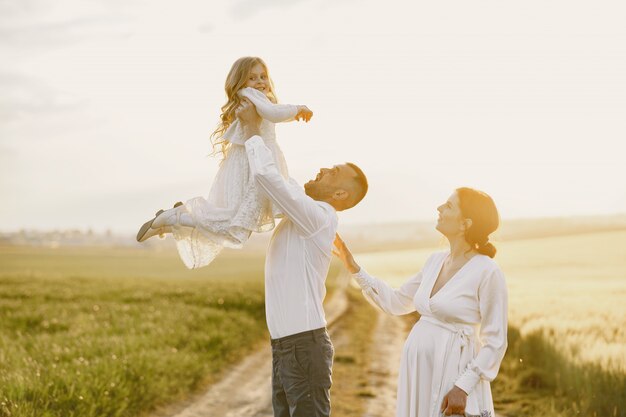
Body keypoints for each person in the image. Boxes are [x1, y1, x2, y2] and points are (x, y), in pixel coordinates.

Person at [236, 98, 368, 417]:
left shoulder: (319, 216)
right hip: (285, 346)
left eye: (333, 172)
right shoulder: (303, 215)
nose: (322, 168)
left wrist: (254, 127)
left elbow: (271, 179)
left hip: (302, 347)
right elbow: (269, 189)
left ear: (340, 196)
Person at [333, 188, 508, 417]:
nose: (439, 208)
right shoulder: (435, 261)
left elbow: (495, 342)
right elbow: (397, 302)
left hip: (454, 376)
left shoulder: (487, 271)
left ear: (465, 223)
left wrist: (463, 386)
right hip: (419, 374)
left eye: (449, 206)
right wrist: (354, 268)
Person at [136, 56, 313, 269]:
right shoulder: (250, 95)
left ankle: (180, 215)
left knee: (238, 225)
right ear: (240, 82)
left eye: (263, 76)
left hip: (260, 158)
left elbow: (273, 113)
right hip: (252, 162)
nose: (260, 82)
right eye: (252, 77)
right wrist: (298, 109)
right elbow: (273, 114)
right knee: (233, 227)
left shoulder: (259, 98)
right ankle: (172, 218)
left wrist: (292, 114)